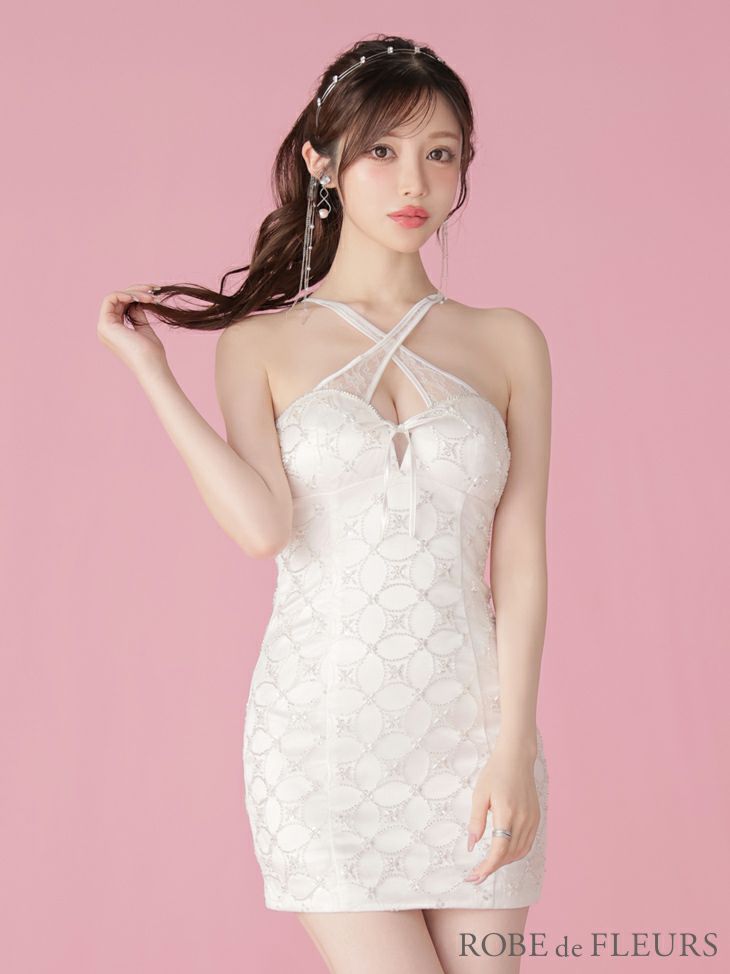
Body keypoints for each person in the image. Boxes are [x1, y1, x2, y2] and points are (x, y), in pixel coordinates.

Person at [97, 32, 552, 974]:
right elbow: (264, 529)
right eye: (382, 150)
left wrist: (513, 747)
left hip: (474, 736)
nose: (413, 181)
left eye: (440, 153)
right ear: (323, 162)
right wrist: (153, 375)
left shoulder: (509, 341)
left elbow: (521, 557)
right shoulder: (259, 346)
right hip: (324, 737)